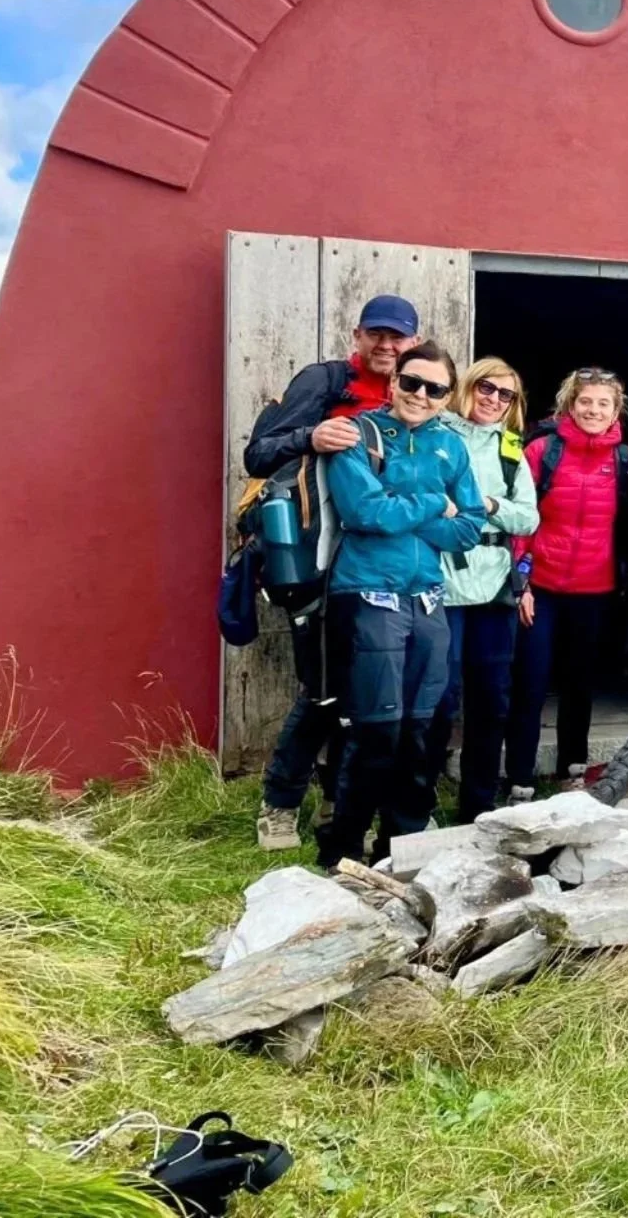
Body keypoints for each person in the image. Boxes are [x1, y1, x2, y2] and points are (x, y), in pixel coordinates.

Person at [251, 293, 425, 852]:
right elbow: (258, 456)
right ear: (357, 334)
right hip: (318, 564)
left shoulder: (413, 396)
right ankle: (279, 804)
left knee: (369, 695)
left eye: (397, 337)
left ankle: (339, 800)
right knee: (322, 691)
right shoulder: (324, 383)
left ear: (413, 344)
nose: (386, 345)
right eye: (376, 333)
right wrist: (311, 436)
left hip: (377, 569)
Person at [316, 342, 486, 869]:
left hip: (428, 599)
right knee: (375, 728)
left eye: (435, 389)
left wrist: (411, 513)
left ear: (446, 396)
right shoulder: (357, 434)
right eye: (411, 382)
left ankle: (402, 847)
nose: (420, 395)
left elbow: (471, 527)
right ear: (394, 383)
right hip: (368, 592)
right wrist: (436, 503)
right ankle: (344, 849)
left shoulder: (451, 446)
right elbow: (364, 511)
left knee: (422, 728)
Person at [507, 368, 628, 796]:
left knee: (579, 683)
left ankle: (572, 771)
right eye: (586, 401)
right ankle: (519, 777)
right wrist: (520, 582)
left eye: (604, 403)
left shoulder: (626, 460)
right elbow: (521, 523)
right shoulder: (541, 451)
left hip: (595, 592)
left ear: (616, 410)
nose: (594, 410)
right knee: (530, 679)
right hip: (541, 588)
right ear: (570, 403)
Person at [426, 358, 540, 823]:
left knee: (491, 698)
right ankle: (420, 800)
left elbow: (528, 518)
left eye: (505, 394)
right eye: (486, 388)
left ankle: (478, 803)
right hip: (445, 582)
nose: (493, 399)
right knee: (440, 697)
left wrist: (485, 504)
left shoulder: (512, 449)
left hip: (494, 585)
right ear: (467, 388)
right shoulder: (435, 435)